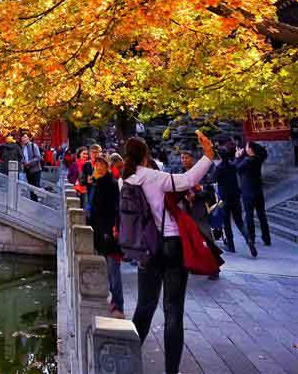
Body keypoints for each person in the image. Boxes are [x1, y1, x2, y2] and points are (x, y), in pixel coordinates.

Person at [123, 130, 215, 374]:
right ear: (145, 155)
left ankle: (126, 362)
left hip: (147, 248)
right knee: (173, 311)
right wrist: (207, 156)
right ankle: (171, 371)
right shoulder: (154, 177)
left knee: (143, 308)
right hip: (171, 244)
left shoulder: (127, 181)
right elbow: (186, 180)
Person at [180, 147, 222, 279]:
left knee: (206, 237)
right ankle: (194, 265)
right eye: (182, 158)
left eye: (186, 157)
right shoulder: (181, 174)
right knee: (189, 239)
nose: (184, 160)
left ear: (192, 159)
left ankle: (215, 268)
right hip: (186, 210)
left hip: (200, 210)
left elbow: (208, 190)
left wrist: (196, 195)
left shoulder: (201, 173)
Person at [90, 155, 124, 319]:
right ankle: (112, 299)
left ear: (107, 166)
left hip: (109, 230)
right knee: (106, 268)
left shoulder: (111, 183)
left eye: (102, 164)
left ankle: (119, 304)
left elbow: (114, 208)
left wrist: (112, 228)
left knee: (113, 269)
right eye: (97, 164)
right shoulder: (98, 181)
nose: (98, 166)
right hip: (99, 229)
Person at [215, 147, 256, 257]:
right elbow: (237, 165)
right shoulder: (233, 166)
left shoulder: (218, 168)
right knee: (239, 221)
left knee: (226, 223)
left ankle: (231, 245)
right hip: (236, 197)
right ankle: (248, 239)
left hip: (224, 198)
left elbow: (212, 179)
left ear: (219, 156)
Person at [236, 140, 271, 247]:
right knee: (262, 215)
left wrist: (237, 157)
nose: (245, 148)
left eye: (246, 147)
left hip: (248, 192)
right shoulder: (258, 159)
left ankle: (251, 237)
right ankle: (267, 238)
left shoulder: (247, 160)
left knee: (249, 215)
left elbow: (237, 168)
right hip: (258, 191)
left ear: (250, 149)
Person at [20, 132, 43, 198]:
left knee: (35, 187)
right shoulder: (23, 147)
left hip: (36, 170)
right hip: (28, 170)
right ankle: (32, 200)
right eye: (22, 137)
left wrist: (29, 162)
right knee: (30, 187)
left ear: (29, 138)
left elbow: (38, 157)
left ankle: (35, 202)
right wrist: (23, 162)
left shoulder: (34, 146)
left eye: (25, 137)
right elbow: (23, 157)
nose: (23, 139)